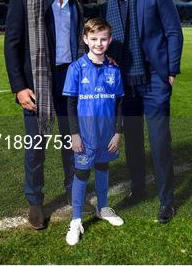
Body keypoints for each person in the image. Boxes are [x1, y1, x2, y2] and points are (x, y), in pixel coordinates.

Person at [4, 0, 91, 230]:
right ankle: (35, 201)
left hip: (70, 78)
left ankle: (72, 192)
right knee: (36, 145)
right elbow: (12, 45)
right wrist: (19, 87)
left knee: (73, 141)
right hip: (37, 81)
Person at [99, 0, 184, 223]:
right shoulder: (108, 4)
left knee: (160, 142)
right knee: (133, 142)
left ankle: (166, 201)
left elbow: (173, 31)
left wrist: (170, 72)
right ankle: (138, 190)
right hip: (126, 84)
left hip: (154, 80)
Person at [62, 18, 124, 245]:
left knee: (103, 167)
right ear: (85, 39)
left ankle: (103, 207)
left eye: (103, 39)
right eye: (94, 39)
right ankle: (76, 219)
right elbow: (70, 104)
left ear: (110, 40)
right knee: (81, 173)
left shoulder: (114, 69)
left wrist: (118, 132)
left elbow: (119, 103)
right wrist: (74, 134)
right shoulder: (76, 68)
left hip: (107, 133)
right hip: (85, 134)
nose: (99, 43)